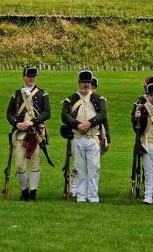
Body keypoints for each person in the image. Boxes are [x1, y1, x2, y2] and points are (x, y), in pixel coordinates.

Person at [61, 70, 107, 203]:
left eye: (88, 82)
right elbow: (64, 115)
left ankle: (92, 196)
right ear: (79, 83)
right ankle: (81, 196)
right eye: (83, 82)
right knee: (79, 168)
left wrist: (89, 123)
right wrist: (77, 125)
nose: (86, 85)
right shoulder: (71, 99)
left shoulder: (99, 99)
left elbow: (103, 114)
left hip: (93, 137)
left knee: (94, 168)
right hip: (77, 137)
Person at [6, 66, 51, 201]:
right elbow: (9, 113)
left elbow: (47, 113)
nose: (32, 78)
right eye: (29, 76)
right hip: (20, 133)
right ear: (23, 77)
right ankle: (24, 191)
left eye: (34, 76)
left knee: (35, 163)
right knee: (20, 165)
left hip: (36, 133)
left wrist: (33, 122)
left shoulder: (42, 94)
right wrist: (17, 124)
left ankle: (33, 193)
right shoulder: (16, 94)